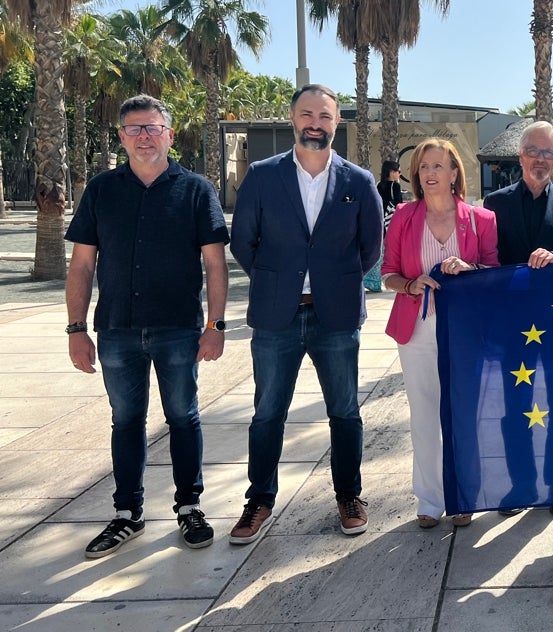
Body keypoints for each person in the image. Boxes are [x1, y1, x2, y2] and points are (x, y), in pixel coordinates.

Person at [65, 94, 229, 558]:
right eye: (134, 129)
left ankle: (189, 506)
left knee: (183, 416)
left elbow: (215, 265)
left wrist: (215, 323)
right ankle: (127, 515)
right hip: (116, 330)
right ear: (121, 137)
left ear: (169, 134)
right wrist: (76, 328)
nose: (143, 136)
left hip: (179, 328)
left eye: (152, 127)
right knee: (126, 421)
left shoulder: (196, 190)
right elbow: (81, 265)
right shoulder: (101, 190)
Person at [229, 84, 383, 544]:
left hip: (335, 316)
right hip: (277, 316)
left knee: (345, 413)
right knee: (267, 414)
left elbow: (370, 247)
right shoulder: (261, 174)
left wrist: (335, 279)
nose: (316, 122)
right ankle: (259, 501)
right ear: (293, 118)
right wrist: (280, 279)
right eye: (307, 114)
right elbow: (243, 241)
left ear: (337, 123)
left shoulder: (359, 181)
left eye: (326, 115)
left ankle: (349, 495)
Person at [382, 138, 498, 529]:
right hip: (416, 330)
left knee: (464, 412)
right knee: (425, 414)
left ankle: (464, 495)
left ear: (454, 173)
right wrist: (411, 285)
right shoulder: (403, 217)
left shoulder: (481, 220)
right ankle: (430, 499)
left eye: (438, 166)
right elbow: (388, 276)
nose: (430, 173)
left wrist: (469, 269)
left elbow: (492, 272)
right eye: (423, 167)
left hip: (465, 332)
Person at [483, 121, 553, 518]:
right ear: (521, 154)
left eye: (549, 153)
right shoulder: (494, 204)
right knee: (516, 406)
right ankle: (522, 484)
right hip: (514, 326)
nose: (541, 159)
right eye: (534, 150)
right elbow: (485, 256)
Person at [364, 161, 403, 292]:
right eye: (398, 171)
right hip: (391, 223)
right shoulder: (395, 187)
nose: (399, 174)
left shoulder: (379, 185)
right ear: (391, 172)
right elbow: (399, 206)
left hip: (380, 221)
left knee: (379, 251)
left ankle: (371, 281)